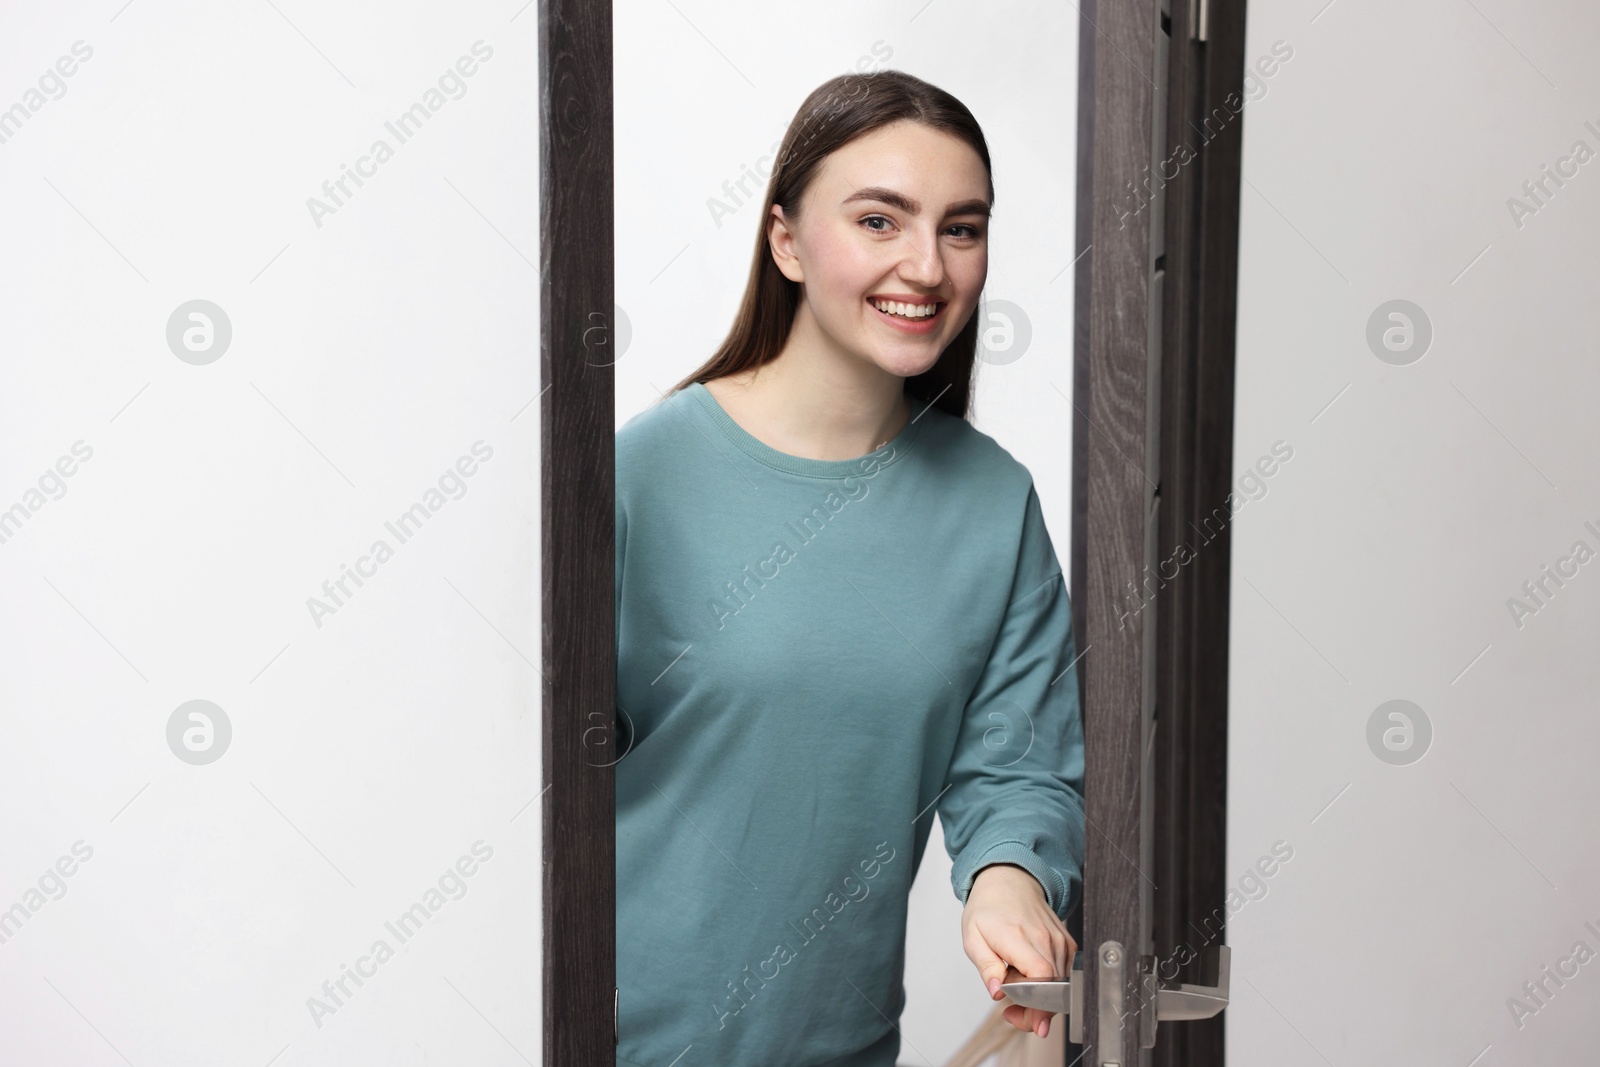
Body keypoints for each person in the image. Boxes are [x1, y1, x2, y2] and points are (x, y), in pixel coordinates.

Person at [614, 68, 1086, 1067]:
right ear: (785, 238)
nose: (926, 264)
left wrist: (1007, 877)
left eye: (961, 228)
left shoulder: (992, 505)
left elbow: (1019, 765)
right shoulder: (636, 478)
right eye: (880, 221)